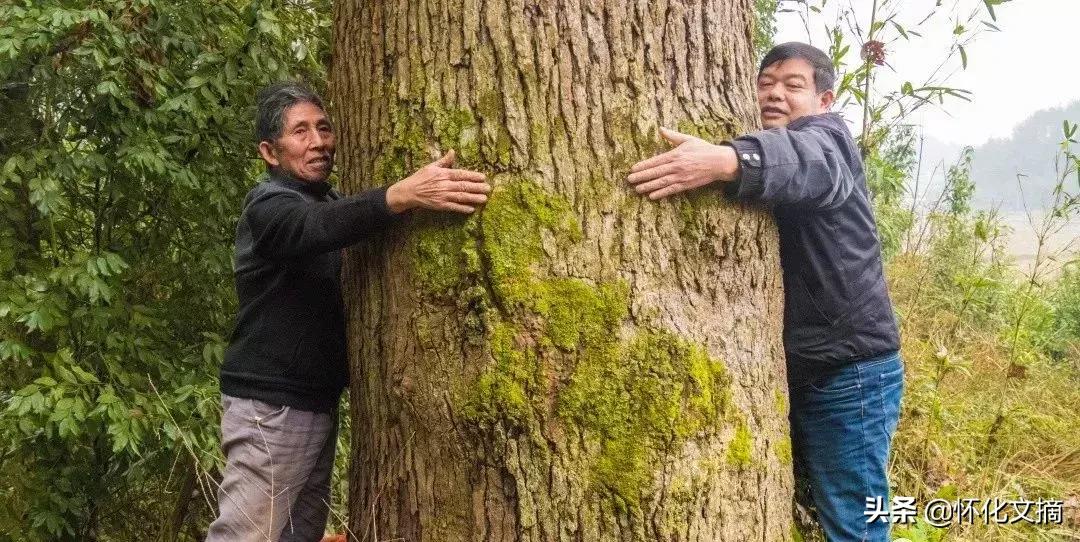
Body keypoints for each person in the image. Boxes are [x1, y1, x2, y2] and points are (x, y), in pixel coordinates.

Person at [625, 42, 904, 541]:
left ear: (824, 99)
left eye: (793, 85)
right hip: (808, 366)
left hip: (850, 373)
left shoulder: (829, 140)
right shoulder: (778, 139)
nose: (775, 94)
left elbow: (806, 161)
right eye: (765, 82)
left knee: (855, 522)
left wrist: (728, 160)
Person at [206, 81, 491, 541]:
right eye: (300, 132)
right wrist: (399, 195)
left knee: (299, 535)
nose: (318, 141)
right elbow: (311, 229)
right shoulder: (269, 206)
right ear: (269, 152)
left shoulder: (331, 203)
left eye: (324, 127)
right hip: (270, 407)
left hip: (313, 404)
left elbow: (337, 220)